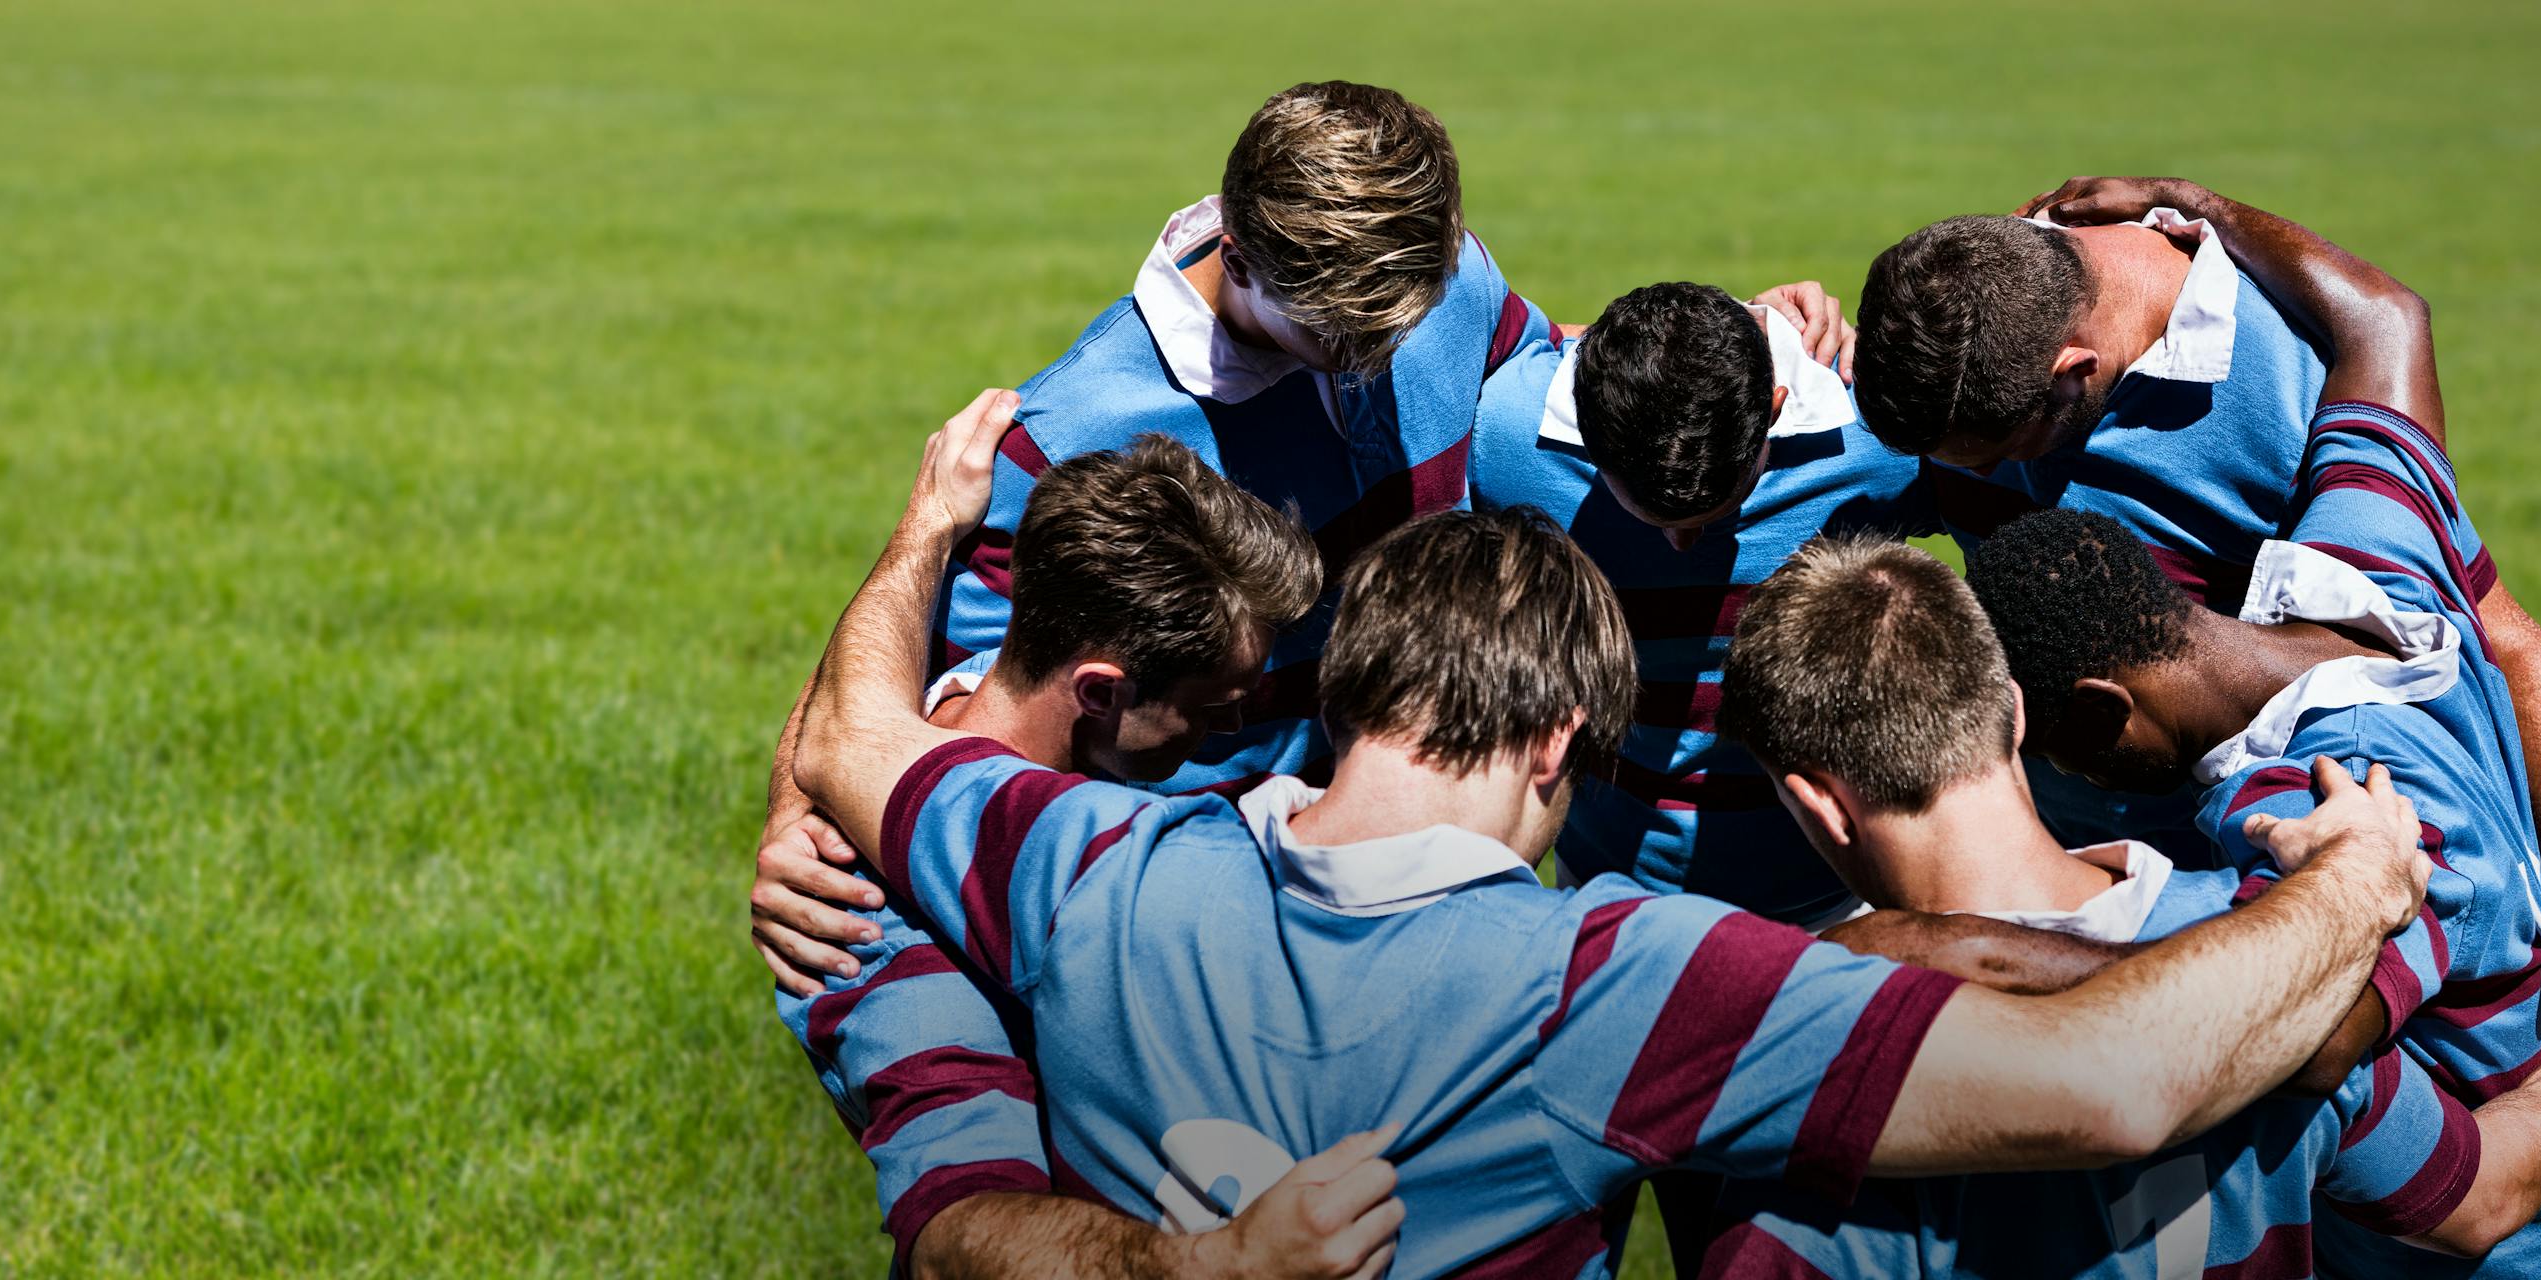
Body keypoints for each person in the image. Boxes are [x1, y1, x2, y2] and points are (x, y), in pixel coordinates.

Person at [781, 403, 2441, 1279]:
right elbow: (2112, 1086)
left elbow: (854, 744)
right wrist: (2356, 886)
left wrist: (929, 529)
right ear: (1562, 744)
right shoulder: (1614, 984)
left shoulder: (1076, 860)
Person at [1689, 534, 2541, 1276]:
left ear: (1814, 800)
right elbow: (2480, 1205)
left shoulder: (1820, 1063)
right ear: (2014, 711)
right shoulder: (2294, 973)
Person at [1851, 178, 2541, 1010]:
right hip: (2063, 903)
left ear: (2070, 376)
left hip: (2283, 912)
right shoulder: (1971, 315)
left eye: (1982, 460)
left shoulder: (2290, 388)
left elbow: (2496, 634)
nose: (1955, 483)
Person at [776, 415, 1409, 1278]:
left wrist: (928, 522)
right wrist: (1221, 1266)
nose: (1235, 732)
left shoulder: (1016, 718)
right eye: (1215, 709)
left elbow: (856, 710)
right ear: (1102, 692)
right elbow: (958, 1233)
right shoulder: (862, 910)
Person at [1966, 490, 2541, 1273]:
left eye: (2055, 753)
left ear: (2100, 709)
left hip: (2479, 1248)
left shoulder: (2322, 806)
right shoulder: (2373, 556)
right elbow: (2385, 412)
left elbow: (2305, 1039)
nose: (2071, 777)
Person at [1462, 279, 1924, 923]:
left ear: (1774, 406)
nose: (1682, 545)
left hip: (1827, 897)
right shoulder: (1507, 439)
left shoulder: (1877, 442)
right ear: (1586, 428)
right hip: (1601, 888)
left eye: (1718, 510)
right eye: (1651, 517)